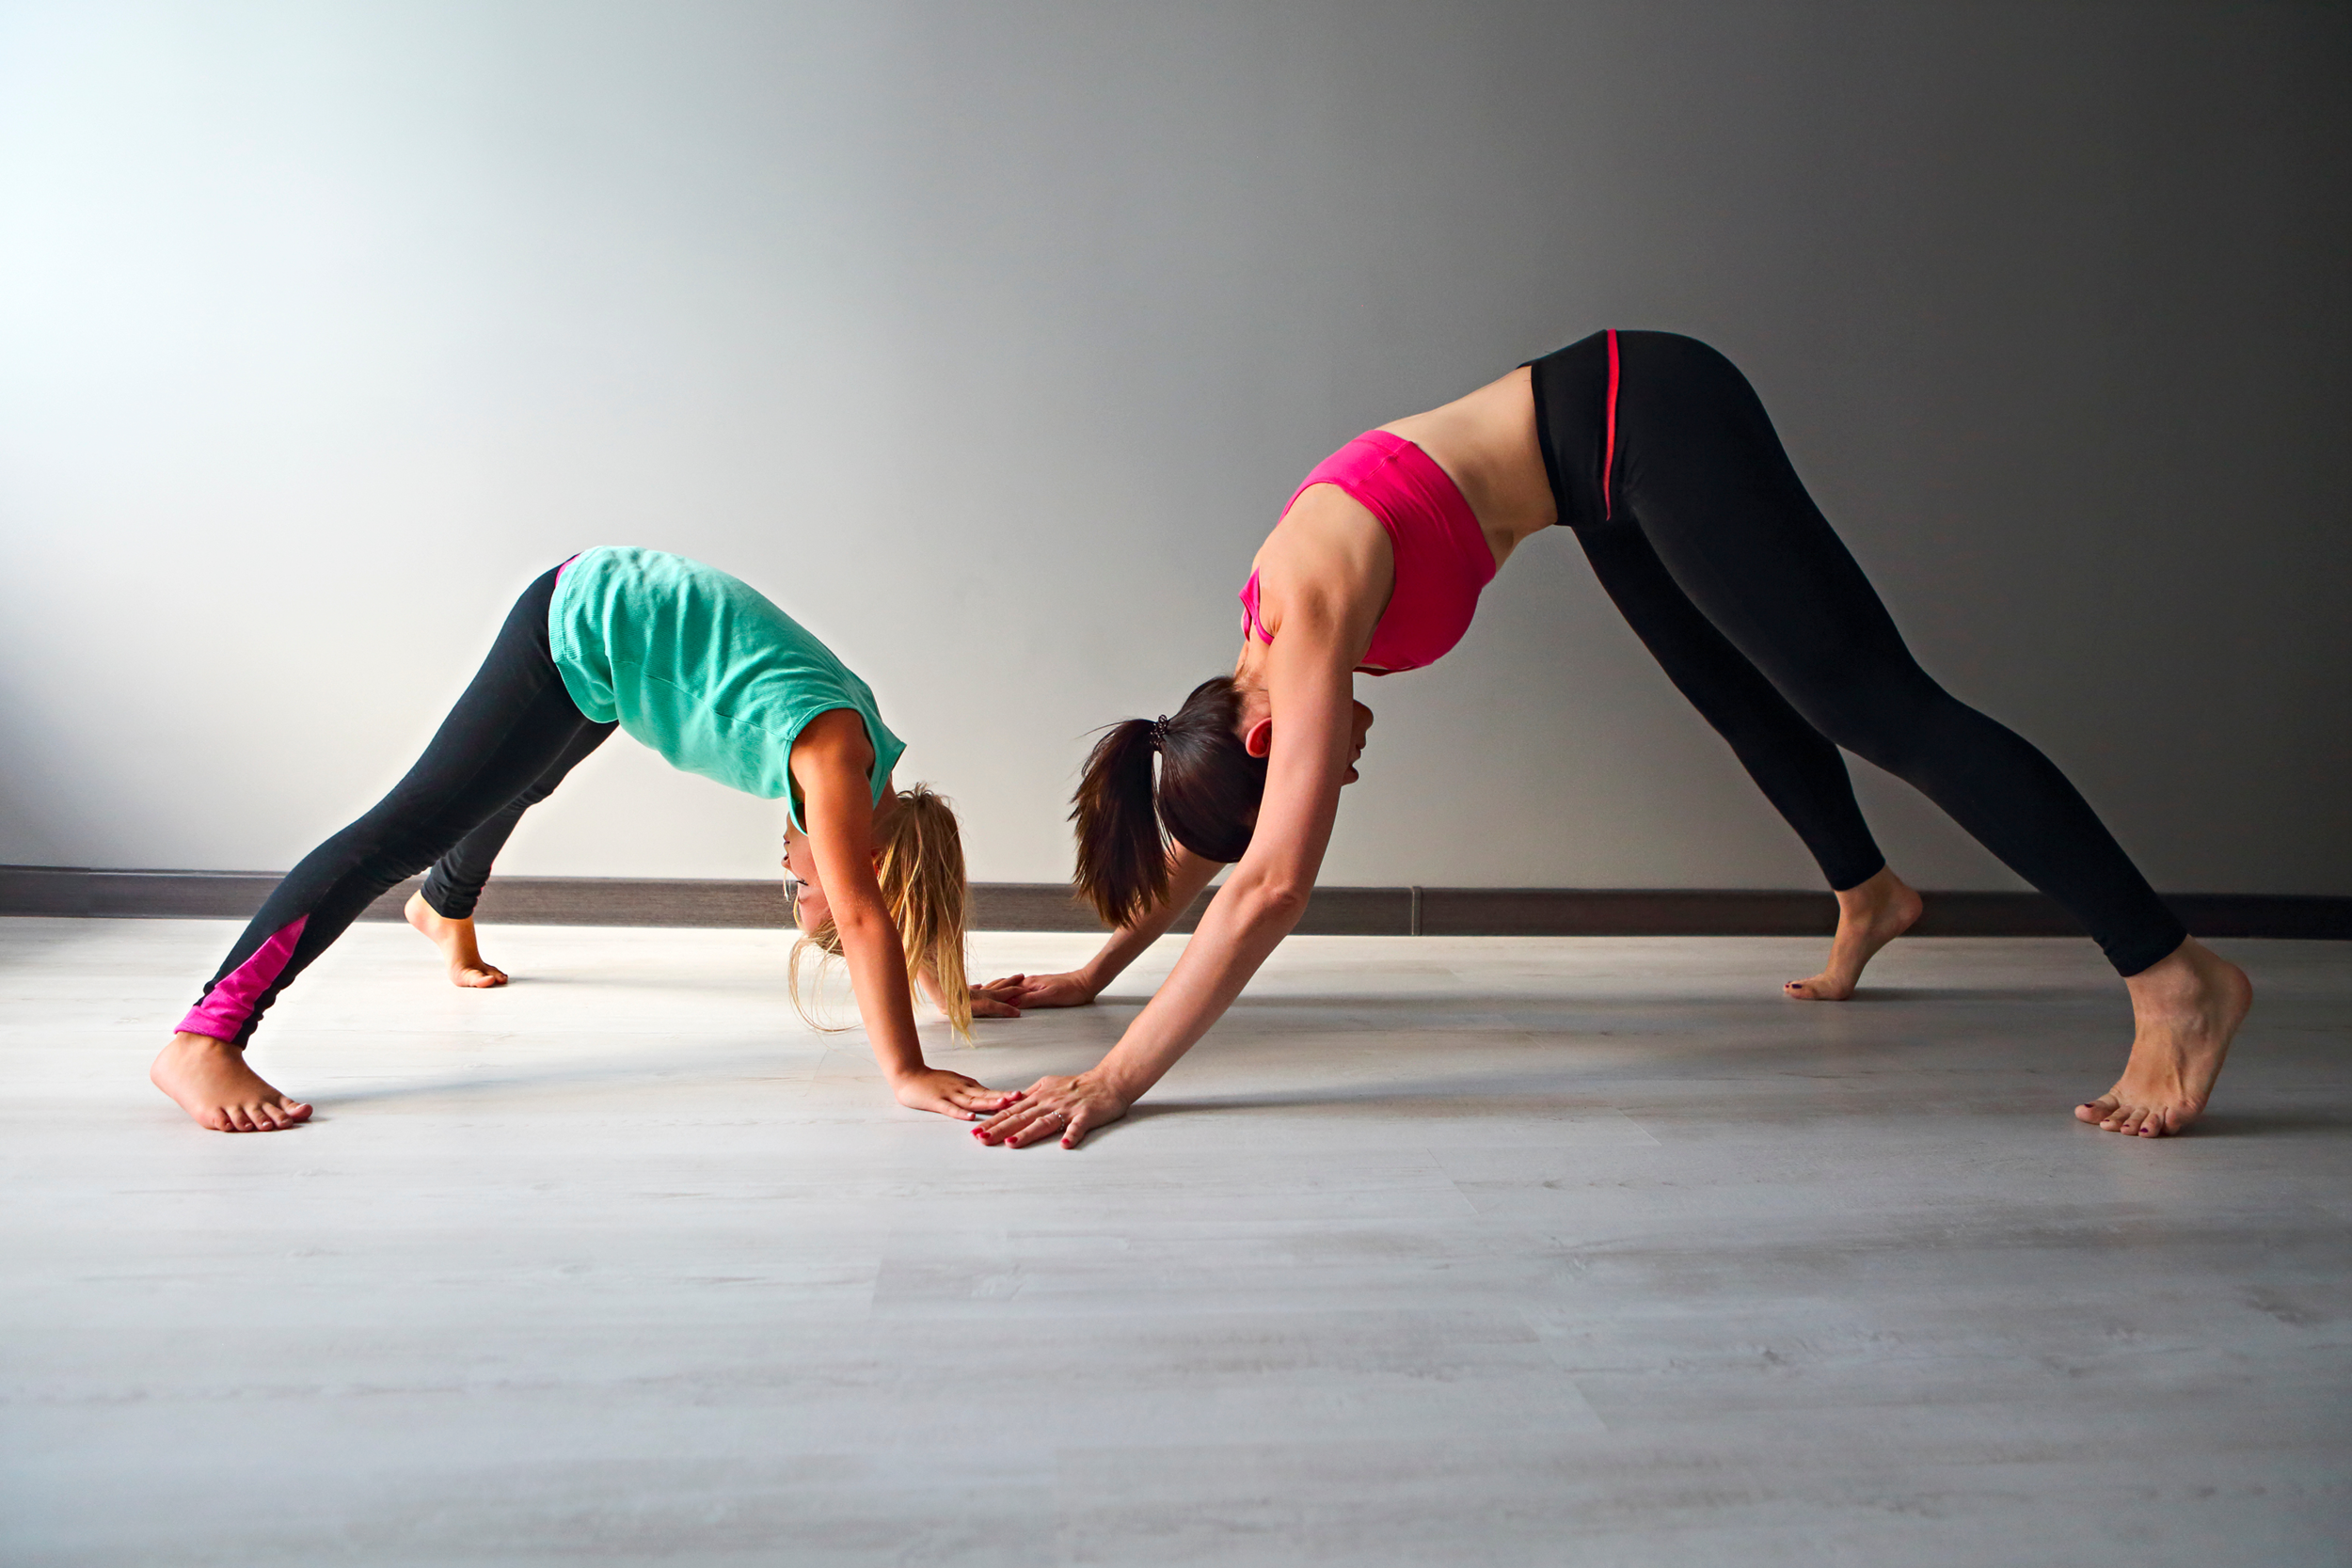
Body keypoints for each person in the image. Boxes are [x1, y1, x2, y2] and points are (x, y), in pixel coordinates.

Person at [974, 330, 2252, 1148]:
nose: (1344, 764)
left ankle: (2170, 970)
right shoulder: (1249, 678)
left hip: (1645, 411)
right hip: (1598, 479)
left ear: (1264, 738)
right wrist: (1098, 972)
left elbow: (1268, 880)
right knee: (1743, 695)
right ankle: (1871, 892)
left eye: (1324, 765)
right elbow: (1223, 840)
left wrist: (1116, 1078)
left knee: (1873, 701)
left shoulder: (1303, 613)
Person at [151, 546, 1018, 1132]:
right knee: (401, 831)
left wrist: (943, 986)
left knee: (519, 779)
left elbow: (881, 902)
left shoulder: (869, 769)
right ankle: (204, 1037)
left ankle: (443, 906)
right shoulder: (833, 764)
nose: (789, 871)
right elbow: (866, 914)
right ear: (864, 858)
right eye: (802, 887)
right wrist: (906, 1072)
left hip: (616, 644)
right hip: (585, 618)